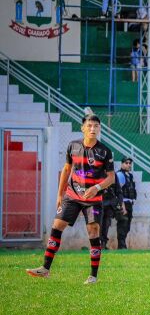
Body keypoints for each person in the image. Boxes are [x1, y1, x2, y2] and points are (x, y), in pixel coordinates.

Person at [26, 115, 116, 284]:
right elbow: (66, 170)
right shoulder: (72, 146)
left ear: (99, 129)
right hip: (72, 195)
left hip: (93, 198)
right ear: (83, 128)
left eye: (96, 126)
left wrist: (96, 188)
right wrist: (60, 195)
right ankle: (45, 268)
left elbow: (111, 178)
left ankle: (93, 276)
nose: (93, 129)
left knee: (93, 232)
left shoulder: (105, 151)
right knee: (57, 225)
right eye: (89, 125)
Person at [113, 157, 136, 249]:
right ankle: (122, 246)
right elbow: (118, 192)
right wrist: (122, 206)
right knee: (123, 224)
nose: (129, 165)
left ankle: (122, 245)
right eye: (126, 163)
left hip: (129, 203)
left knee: (127, 226)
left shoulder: (129, 175)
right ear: (122, 164)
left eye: (130, 163)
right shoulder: (120, 175)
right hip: (123, 203)